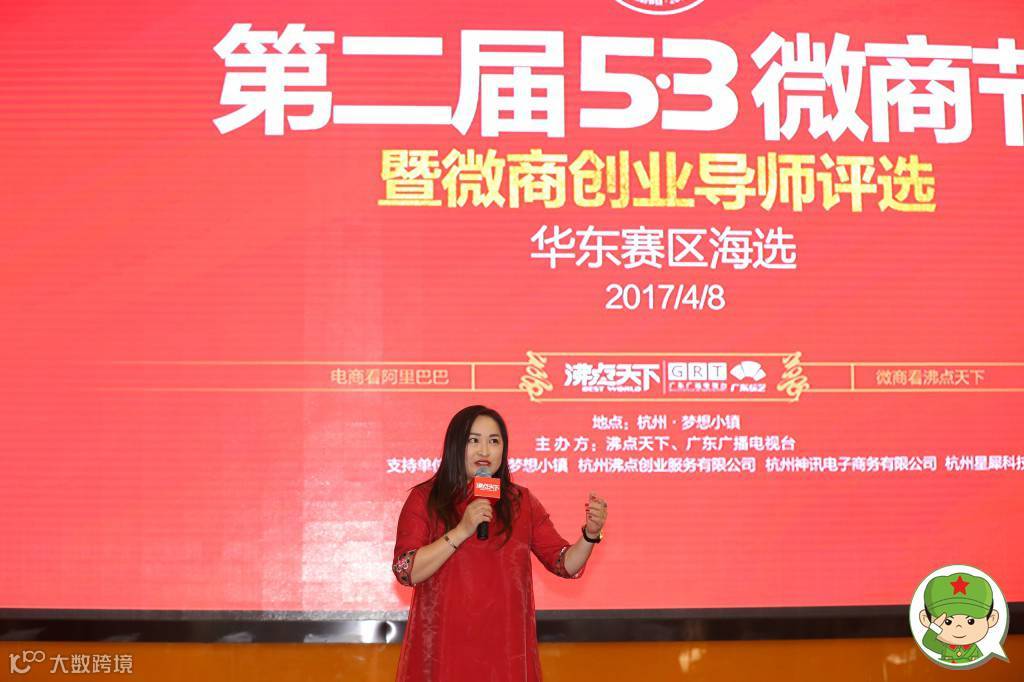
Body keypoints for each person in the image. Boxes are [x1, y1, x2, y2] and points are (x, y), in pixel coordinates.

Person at [391, 405, 608, 682]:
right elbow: (406, 570)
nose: (484, 450)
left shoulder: (520, 502)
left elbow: (564, 563)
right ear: (456, 445)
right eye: (474, 440)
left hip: (505, 652)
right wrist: (462, 530)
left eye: (494, 441)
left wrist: (590, 535)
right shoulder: (426, 499)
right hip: (444, 650)